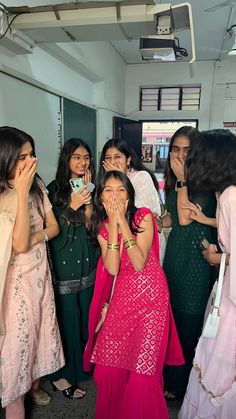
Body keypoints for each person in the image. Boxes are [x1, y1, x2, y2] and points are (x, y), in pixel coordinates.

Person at [84, 170, 184, 419]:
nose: (115, 195)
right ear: (100, 198)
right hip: (123, 302)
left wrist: (123, 225)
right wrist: (115, 225)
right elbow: (113, 267)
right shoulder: (101, 227)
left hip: (151, 302)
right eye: (108, 190)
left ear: (129, 196)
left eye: (121, 190)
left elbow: (139, 262)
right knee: (109, 371)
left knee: (142, 375)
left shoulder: (144, 217)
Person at [0, 126, 64, 419]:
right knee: (16, 355)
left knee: (38, 342)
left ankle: (33, 388)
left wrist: (38, 237)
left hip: (41, 278)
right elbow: (19, 242)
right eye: (22, 157)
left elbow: (53, 227)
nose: (30, 162)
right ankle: (17, 400)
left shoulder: (36, 186)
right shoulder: (5, 194)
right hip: (16, 289)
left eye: (31, 154)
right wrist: (22, 193)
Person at [179, 129, 236, 418]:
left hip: (232, 301)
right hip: (228, 290)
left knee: (219, 374)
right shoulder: (230, 193)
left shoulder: (229, 196)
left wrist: (219, 257)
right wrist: (206, 218)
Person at [160, 126, 217, 400]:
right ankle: (167, 377)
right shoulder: (176, 182)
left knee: (188, 324)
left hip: (196, 262)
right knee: (170, 321)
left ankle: (180, 385)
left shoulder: (206, 184)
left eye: (187, 150)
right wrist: (159, 221)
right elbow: (174, 217)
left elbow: (186, 218)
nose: (181, 155)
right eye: (176, 149)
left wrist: (182, 180)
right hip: (175, 257)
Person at [47, 138, 99, 399]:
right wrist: (72, 206)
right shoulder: (53, 189)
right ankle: (63, 375)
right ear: (66, 159)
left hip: (87, 262)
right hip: (65, 264)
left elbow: (91, 227)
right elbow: (52, 231)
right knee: (67, 319)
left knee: (85, 317)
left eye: (87, 157)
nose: (82, 162)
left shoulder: (89, 186)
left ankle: (83, 366)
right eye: (77, 157)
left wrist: (88, 202)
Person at [98, 138, 166, 265]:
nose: (112, 161)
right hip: (117, 244)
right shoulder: (104, 183)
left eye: (117, 157)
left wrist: (119, 179)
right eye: (108, 158)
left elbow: (141, 215)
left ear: (128, 160)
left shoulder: (141, 177)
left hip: (141, 245)